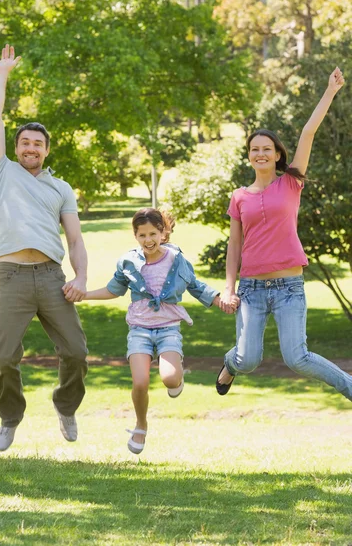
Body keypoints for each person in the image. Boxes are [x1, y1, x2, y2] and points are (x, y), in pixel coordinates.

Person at [216, 67, 352, 402]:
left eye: (266, 149)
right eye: (254, 150)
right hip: (251, 289)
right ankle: (230, 364)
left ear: (277, 154)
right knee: (247, 360)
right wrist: (229, 289)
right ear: (249, 157)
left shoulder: (291, 183)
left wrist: (329, 93)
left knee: (297, 358)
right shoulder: (239, 196)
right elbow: (235, 246)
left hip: (290, 286)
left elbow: (307, 133)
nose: (260, 153)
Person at [0, 45, 88, 451]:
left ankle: (65, 406)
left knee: (77, 352)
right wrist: (2, 75)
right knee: (5, 356)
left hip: (50, 276)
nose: (30, 148)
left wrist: (80, 276)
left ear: (47, 150)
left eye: (37, 144)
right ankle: (10, 417)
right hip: (11, 276)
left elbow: (75, 239)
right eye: (24, 142)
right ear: (16, 146)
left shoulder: (60, 188)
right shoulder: (1, 171)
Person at [82, 208, 236, 454]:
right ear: (135, 236)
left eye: (153, 233)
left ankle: (177, 377)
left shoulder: (176, 260)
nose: (148, 240)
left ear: (163, 233)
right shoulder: (128, 262)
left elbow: (195, 286)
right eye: (142, 235)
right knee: (140, 382)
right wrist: (84, 295)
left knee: (170, 379)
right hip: (139, 328)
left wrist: (220, 301)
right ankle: (140, 425)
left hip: (168, 329)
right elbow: (113, 289)